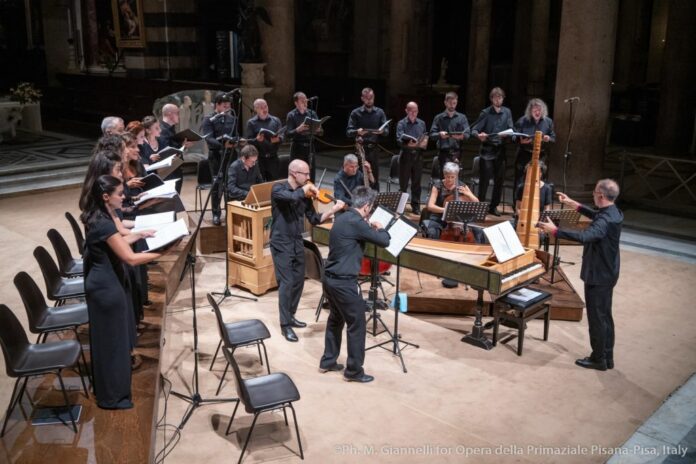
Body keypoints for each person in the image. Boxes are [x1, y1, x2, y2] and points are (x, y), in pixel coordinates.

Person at [80, 175, 160, 409]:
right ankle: (112, 397)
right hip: (106, 287)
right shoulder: (104, 222)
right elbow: (130, 258)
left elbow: (117, 242)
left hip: (104, 283)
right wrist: (162, 251)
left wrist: (140, 234)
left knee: (110, 341)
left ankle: (108, 390)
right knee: (112, 343)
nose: (123, 196)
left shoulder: (98, 215)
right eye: (119, 193)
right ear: (106, 196)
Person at [537, 179, 623, 371]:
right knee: (605, 315)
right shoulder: (613, 212)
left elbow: (585, 237)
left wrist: (556, 231)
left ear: (601, 195)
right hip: (609, 271)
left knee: (597, 318)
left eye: (594, 192)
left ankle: (598, 359)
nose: (593, 194)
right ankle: (607, 356)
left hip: (598, 275)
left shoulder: (604, 220)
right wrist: (574, 204)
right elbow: (597, 215)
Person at [319, 186, 390, 383]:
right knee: (356, 324)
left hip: (329, 279)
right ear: (366, 207)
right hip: (343, 283)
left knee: (335, 319)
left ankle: (328, 361)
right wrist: (380, 227)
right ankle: (353, 371)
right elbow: (384, 241)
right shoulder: (358, 223)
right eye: (371, 208)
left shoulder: (342, 217)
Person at [271, 159, 345, 342]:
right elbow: (291, 198)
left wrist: (333, 210)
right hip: (281, 243)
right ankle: (285, 325)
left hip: (297, 241)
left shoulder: (304, 195)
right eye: (305, 173)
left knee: (298, 281)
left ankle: (291, 315)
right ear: (294, 173)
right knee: (286, 283)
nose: (308, 177)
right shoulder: (278, 189)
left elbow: (314, 219)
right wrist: (306, 189)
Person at [471, 87, 514, 216]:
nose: (498, 100)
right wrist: (479, 135)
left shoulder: (507, 112)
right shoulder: (485, 113)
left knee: (499, 181)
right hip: (487, 150)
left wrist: (510, 134)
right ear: (491, 99)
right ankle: (480, 206)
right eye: (495, 98)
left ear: (503, 99)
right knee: (484, 180)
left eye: (500, 97)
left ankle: (493, 206)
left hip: (500, 150)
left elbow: (511, 128)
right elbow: (474, 130)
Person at [201, 93, 237, 225]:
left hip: (230, 155)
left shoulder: (232, 118)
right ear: (217, 105)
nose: (227, 107)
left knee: (230, 185)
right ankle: (216, 214)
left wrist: (237, 141)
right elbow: (208, 138)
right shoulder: (209, 119)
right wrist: (222, 145)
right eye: (224, 105)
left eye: (229, 105)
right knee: (217, 185)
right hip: (216, 155)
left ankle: (230, 213)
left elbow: (235, 135)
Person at [513, 98, 556, 204]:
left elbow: (553, 137)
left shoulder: (548, 122)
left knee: (539, 180)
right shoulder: (522, 121)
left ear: (543, 110)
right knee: (520, 181)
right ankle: (517, 206)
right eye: (535, 110)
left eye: (539, 110)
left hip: (541, 155)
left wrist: (548, 138)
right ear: (530, 111)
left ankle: (537, 205)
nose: (537, 112)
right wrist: (520, 141)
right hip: (524, 154)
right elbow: (513, 136)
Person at [346, 87, 389, 191]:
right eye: (367, 98)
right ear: (362, 98)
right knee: (359, 177)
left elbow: (387, 131)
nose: (369, 100)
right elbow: (348, 132)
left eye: (371, 97)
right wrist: (357, 132)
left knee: (374, 177)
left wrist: (382, 131)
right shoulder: (355, 113)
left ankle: (375, 200)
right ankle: (360, 200)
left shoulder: (380, 112)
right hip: (360, 149)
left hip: (374, 149)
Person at [424, 162, 479, 240]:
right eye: (448, 177)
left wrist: (468, 194)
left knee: (478, 231)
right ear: (444, 175)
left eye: (452, 177)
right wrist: (447, 210)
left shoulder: (462, 185)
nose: (450, 179)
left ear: (456, 175)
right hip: (439, 217)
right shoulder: (437, 186)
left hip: (459, 218)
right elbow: (430, 206)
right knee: (432, 232)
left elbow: (476, 203)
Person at [395, 101, 428, 215]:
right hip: (406, 156)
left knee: (416, 184)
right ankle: (401, 207)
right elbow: (399, 140)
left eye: (416, 111)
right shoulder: (401, 123)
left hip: (418, 156)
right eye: (411, 111)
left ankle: (416, 206)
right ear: (406, 111)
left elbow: (424, 137)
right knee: (403, 185)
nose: (414, 113)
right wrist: (408, 144)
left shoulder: (422, 123)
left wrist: (423, 143)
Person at [429, 92, 470, 178]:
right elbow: (432, 134)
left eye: (454, 103)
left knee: (456, 180)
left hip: (457, 152)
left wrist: (461, 136)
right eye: (450, 103)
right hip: (443, 153)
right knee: (444, 179)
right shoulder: (439, 118)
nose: (452, 105)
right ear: (445, 102)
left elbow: (467, 134)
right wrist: (440, 134)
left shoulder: (462, 117)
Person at [245, 98, 284, 181]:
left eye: (265, 106)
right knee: (259, 184)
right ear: (255, 109)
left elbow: (282, 136)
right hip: (259, 159)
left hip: (273, 158)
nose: (264, 109)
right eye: (261, 107)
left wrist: (279, 139)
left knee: (273, 184)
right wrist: (257, 140)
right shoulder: (251, 123)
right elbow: (248, 141)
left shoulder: (276, 120)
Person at [286, 92, 320, 180]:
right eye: (302, 101)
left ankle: (310, 188)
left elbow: (321, 132)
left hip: (310, 147)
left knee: (311, 172)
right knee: (297, 173)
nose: (305, 103)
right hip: (297, 148)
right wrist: (298, 129)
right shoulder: (291, 115)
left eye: (306, 100)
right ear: (296, 103)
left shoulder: (312, 113)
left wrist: (318, 130)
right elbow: (288, 134)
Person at [158, 103, 192, 193]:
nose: (179, 116)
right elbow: (166, 152)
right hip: (169, 171)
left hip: (175, 168)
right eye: (177, 113)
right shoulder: (162, 130)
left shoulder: (171, 129)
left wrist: (183, 146)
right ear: (170, 114)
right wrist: (182, 146)